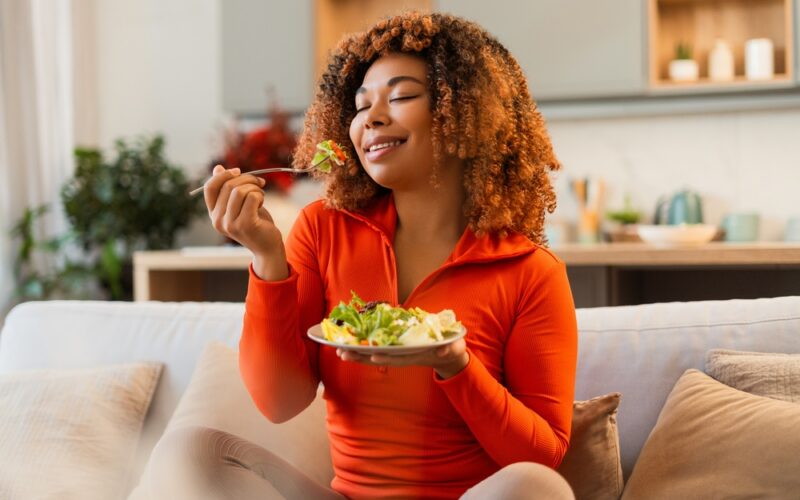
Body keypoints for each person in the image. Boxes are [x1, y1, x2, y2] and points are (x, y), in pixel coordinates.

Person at [147, 11, 577, 500]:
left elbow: (543, 456)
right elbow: (279, 401)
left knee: (537, 488)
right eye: (360, 104)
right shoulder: (322, 230)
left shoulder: (529, 272)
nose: (370, 118)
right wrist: (268, 259)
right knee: (192, 453)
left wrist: (456, 365)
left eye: (401, 96)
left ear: (468, 116)